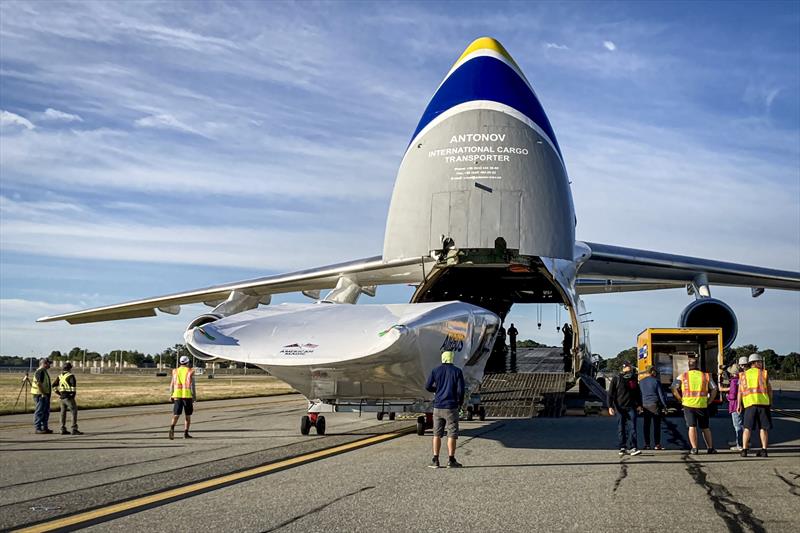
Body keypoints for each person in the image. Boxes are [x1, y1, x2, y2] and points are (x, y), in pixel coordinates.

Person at [425, 350, 465, 468]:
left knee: (436, 434)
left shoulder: (435, 370)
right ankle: (451, 460)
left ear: (442, 358)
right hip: (451, 407)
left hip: (438, 406)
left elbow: (427, 386)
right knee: (451, 433)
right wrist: (460, 403)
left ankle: (435, 460)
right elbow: (460, 391)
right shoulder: (457, 371)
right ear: (452, 358)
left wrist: (437, 390)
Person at [672, 357, 718, 455]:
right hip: (702, 405)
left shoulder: (682, 376)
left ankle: (694, 448)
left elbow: (674, 388)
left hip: (688, 405)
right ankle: (710, 448)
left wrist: (680, 399)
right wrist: (710, 400)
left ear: (688, 366)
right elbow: (714, 389)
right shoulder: (705, 376)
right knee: (705, 427)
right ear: (697, 365)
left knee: (691, 427)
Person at [738, 353, 772, 458]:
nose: (761, 364)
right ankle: (764, 450)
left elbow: (740, 391)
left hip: (749, 405)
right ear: (755, 363)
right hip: (763, 404)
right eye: (760, 362)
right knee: (763, 428)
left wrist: (739, 404)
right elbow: (770, 390)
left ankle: (744, 450)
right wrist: (770, 401)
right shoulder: (764, 374)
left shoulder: (743, 375)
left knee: (747, 428)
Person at [607, 361, 643, 456]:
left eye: (630, 366)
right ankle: (622, 447)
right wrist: (610, 406)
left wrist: (639, 405)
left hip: (631, 407)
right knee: (621, 427)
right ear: (623, 368)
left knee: (633, 428)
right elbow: (611, 394)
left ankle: (633, 447)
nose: (630, 368)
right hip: (620, 407)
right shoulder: (617, 379)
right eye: (628, 367)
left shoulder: (633, 379)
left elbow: (637, 393)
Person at [639, 365, 667, 450]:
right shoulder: (656, 381)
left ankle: (647, 444)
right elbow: (661, 395)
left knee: (646, 425)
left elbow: (639, 394)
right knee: (656, 425)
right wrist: (665, 405)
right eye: (655, 371)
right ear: (652, 372)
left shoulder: (641, 382)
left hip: (645, 405)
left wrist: (640, 405)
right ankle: (657, 444)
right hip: (655, 405)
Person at [169, 355, 197, 440]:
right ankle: (186, 433)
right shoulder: (190, 371)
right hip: (187, 396)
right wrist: (194, 396)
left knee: (176, 414)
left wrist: (171, 395)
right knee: (187, 415)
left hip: (177, 395)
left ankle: (172, 428)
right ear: (187, 362)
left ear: (180, 362)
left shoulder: (175, 371)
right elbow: (192, 385)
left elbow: (172, 384)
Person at [54, 362, 83, 435]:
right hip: (68, 397)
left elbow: (53, 386)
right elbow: (73, 387)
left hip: (62, 397)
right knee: (73, 412)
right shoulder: (71, 376)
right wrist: (72, 396)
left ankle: (62, 429)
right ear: (70, 368)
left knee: (62, 413)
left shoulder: (60, 376)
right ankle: (74, 429)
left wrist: (58, 393)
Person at [31, 358, 53, 434]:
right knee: (40, 411)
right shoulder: (40, 372)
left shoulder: (44, 371)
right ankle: (38, 428)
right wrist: (43, 393)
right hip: (40, 395)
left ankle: (44, 427)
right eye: (48, 363)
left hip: (44, 394)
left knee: (45, 411)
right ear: (44, 363)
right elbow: (39, 384)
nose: (50, 365)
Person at [724, 364, 743, 451]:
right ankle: (741, 441)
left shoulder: (734, 381)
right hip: (741, 403)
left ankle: (739, 444)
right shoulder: (741, 380)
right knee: (740, 423)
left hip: (734, 405)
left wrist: (727, 396)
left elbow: (732, 395)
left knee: (737, 425)